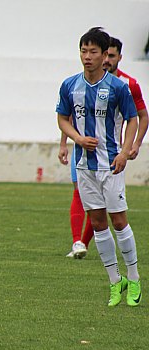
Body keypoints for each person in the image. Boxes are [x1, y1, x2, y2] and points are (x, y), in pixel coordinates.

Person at [56, 27, 141, 307]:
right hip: (85, 166)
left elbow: (133, 119)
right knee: (97, 222)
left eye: (93, 51)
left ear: (105, 56)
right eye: (83, 50)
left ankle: (134, 277)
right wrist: (76, 138)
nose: (87, 56)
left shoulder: (118, 87)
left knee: (119, 221)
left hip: (111, 165)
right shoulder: (70, 85)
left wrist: (125, 152)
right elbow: (62, 119)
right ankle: (115, 282)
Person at [104, 37, 148, 159]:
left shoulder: (129, 84)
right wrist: (63, 144)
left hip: (114, 151)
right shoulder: (86, 82)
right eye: (105, 55)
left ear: (120, 57)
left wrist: (136, 143)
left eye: (112, 56)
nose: (107, 60)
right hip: (85, 150)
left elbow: (143, 116)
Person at [58, 132, 93, 259]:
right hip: (80, 149)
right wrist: (63, 144)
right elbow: (66, 117)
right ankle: (78, 243)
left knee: (99, 200)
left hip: (106, 151)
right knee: (79, 192)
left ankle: (84, 243)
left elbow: (137, 117)